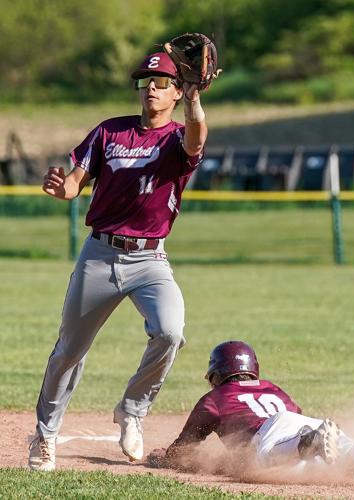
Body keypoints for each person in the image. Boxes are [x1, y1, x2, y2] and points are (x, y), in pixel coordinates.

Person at [28, 50, 209, 471]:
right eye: (146, 81)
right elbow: (74, 184)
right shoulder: (110, 132)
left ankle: (132, 410)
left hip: (151, 260)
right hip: (100, 254)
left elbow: (197, 138)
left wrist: (197, 101)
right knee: (69, 351)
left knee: (170, 330)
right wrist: (61, 189)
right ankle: (45, 437)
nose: (151, 87)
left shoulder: (176, 140)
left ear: (177, 92)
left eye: (162, 82)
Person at [148, 341, 354, 475]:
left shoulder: (215, 399)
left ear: (217, 373)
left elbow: (184, 448)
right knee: (352, 453)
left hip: (279, 434)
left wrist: (163, 458)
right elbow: (293, 413)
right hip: (300, 422)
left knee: (265, 457)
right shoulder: (272, 387)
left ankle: (311, 441)